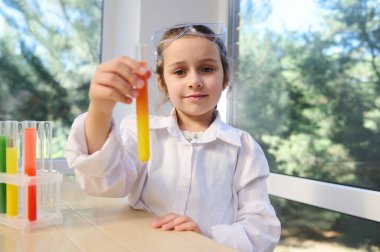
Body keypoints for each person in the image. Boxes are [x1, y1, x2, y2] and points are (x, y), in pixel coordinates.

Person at [65, 23, 281, 252]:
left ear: (225, 78)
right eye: (180, 71)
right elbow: (104, 183)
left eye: (207, 68)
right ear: (162, 83)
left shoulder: (243, 147)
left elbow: (263, 229)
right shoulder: (141, 132)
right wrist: (100, 110)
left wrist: (206, 236)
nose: (194, 80)